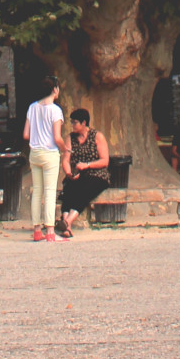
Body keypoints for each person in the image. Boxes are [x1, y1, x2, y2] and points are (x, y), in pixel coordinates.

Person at [23, 76, 65, 244]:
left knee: (37, 190)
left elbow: (26, 134)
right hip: (50, 154)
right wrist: (65, 149)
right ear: (54, 89)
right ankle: (50, 231)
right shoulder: (55, 110)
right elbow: (57, 137)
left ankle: (36, 230)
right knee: (49, 191)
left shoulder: (32, 107)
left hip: (34, 153)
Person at [58, 108, 111, 237]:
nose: (72, 125)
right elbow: (66, 160)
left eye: (75, 122)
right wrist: (69, 173)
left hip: (96, 174)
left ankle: (67, 221)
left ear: (83, 123)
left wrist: (87, 165)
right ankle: (67, 227)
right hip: (77, 174)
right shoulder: (70, 138)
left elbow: (105, 161)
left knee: (84, 191)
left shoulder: (97, 136)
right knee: (69, 189)